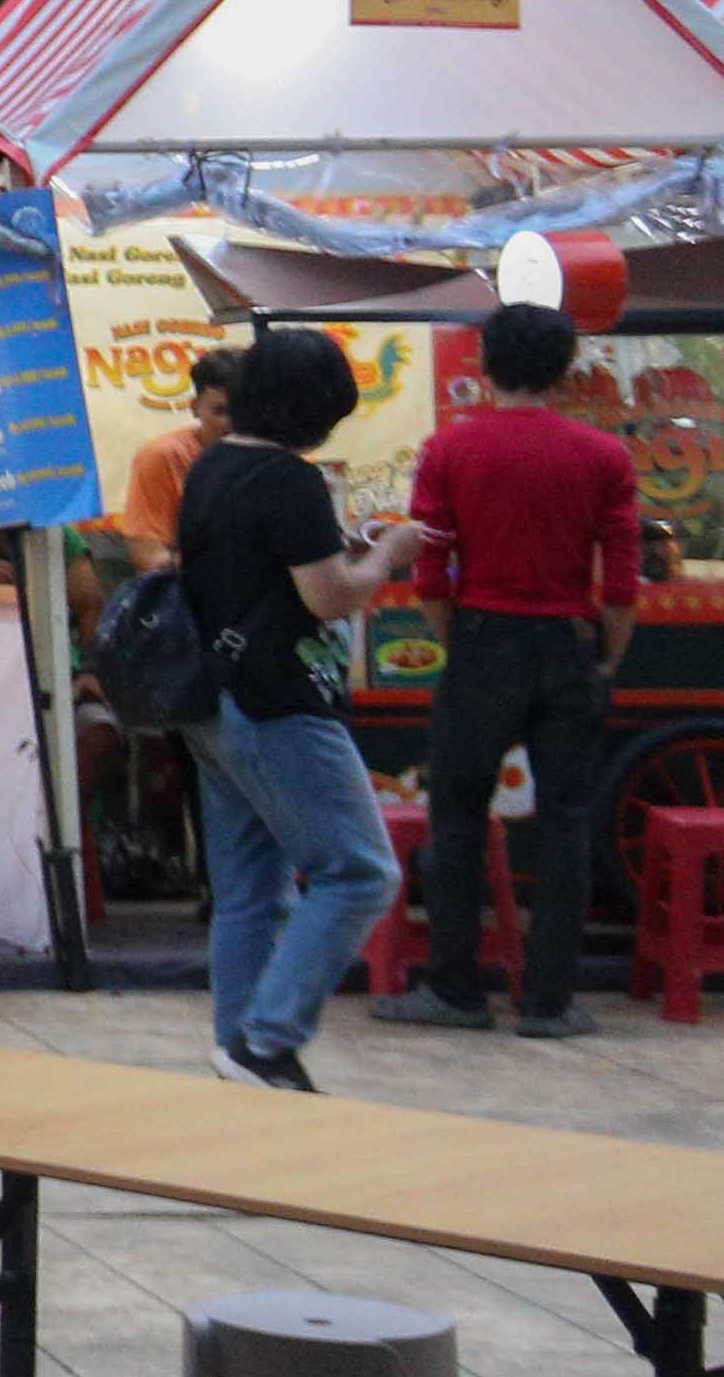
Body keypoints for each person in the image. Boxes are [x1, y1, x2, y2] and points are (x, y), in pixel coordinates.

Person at [376, 299, 639, 1040]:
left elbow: (430, 568)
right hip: (568, 641)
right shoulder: (603, 456)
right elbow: (620, 579)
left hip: (483, 640)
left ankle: (455, 990)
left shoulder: (451, 449)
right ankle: (549, 1003)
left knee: (457, 815)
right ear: (565, 369)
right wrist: (608, 653)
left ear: (487, 365)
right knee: (565, 821)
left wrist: (457, 634)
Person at [177, 324, 423, 1090]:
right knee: (359, 871)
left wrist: (342, 545)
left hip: (212, 702)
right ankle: (268, 1040)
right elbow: (327, 595)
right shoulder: (291, 482)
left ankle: (238, 1046)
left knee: (250, 888)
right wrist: (387, 557)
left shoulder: (212, 466)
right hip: (281, 702)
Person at [120, 349, 243, 575]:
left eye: (243, 411)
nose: (232, 424)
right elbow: (148, 554)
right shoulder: (162, 456)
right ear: (195, 407)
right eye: (220, 411)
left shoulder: (277, 458)